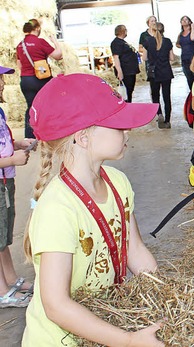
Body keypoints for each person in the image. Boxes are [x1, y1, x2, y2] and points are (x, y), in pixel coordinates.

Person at [21, 73, 164, 346]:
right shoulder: (57, 209)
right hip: (60, 340)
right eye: (117, 125)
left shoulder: (118, 183)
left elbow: (133, 250)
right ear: (83, 137)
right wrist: (128, 341)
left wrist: (165, 295)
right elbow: (57, 305)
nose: (127, 131)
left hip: (103, 324)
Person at [0, 65, 36, 308]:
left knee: (4, 234)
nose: (3, 84)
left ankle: (10, 279)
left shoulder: (0, 112)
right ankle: (2, 292)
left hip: (6, 181)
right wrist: (12, 160)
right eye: (0, 80)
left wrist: (19, 143)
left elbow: (4, 140)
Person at [15, 18, 63, 139]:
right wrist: (55, 42)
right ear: (36, 29)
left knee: (31, 107)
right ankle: (52, 133)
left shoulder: (20, 45)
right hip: (41, 79)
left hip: (26, 80)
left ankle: (29, 137)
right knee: (50, 105)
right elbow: (58, 56)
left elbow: (19, 65)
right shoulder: (40, 41)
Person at [143, 22, 175, 129]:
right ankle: (167, 120)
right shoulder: (168, 41)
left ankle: (159, 113)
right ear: (163, 30)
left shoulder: (147, 41)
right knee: (167, 96)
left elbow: (144, 58)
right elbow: (172, 58)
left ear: (152, 30)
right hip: (166, 71)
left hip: (154, 72)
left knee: (155, 95)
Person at [110, 24, 140, 103]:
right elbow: (116, 57)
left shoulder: (123, 42)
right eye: (125, 30)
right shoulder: (116, 43)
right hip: (125, 70)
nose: (126, 31)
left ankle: (129, 104)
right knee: (126, 91)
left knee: (130, 90)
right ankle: (127, 105)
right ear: (122, 31)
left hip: (130, 70)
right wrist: (119, 71)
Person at [176, 15, 194, 90]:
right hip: (184, 58)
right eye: (183, 20)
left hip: (193, 58)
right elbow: (177, 44)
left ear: (189, 22)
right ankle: (192, 96)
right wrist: (184, 46)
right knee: (189, 78)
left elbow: (193, 38)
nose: (184, 21)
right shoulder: (180, 34)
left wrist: (192, 27)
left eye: (186, 19)